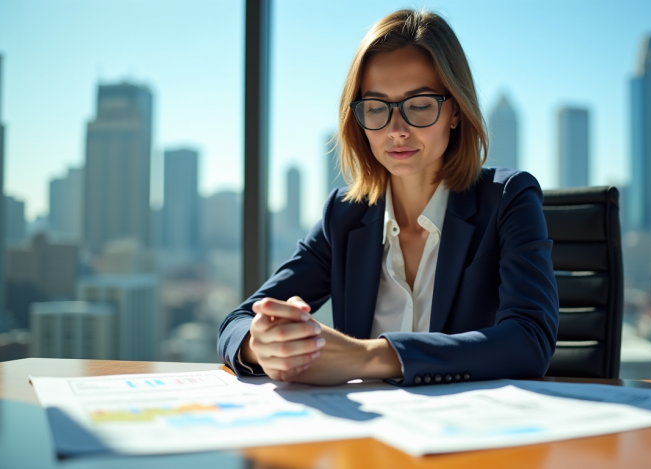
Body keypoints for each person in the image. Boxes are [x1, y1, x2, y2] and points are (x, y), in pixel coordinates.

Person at [218, 9, 558, 386]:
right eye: (377, 107)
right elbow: (237, 322)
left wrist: (366, 358)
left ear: (456, 112)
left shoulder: (509, 199)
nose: (396, 130)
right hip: (371, 437)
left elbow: (529, 341)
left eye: (419, 105)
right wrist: (262, 344)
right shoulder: (344, 217)